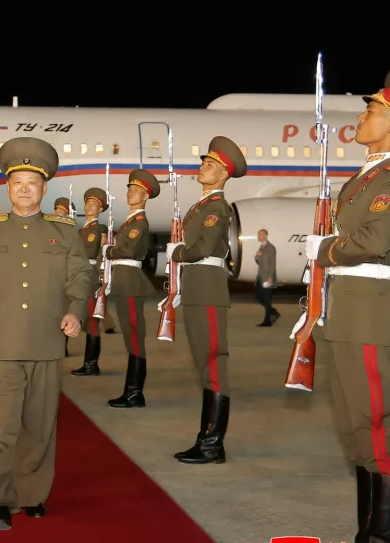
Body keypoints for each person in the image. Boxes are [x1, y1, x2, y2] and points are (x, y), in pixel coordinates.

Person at [302, 65, 390, 543]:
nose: (362, 117)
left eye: (372, 110)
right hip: (348, 312)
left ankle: (383, 542)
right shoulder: (365, 177)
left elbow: (372, 241)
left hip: (371, 314)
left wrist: (325, 249)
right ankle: (367, 534)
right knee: (358, 434)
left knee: (377, 433)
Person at [0, 137, 91, 531]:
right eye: (17, 181)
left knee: (40, 424)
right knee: (4, 425)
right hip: (0, 343)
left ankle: (32, 494)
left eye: (31, 182)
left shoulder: (65, 232)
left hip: (47, 341)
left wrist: (75, 310)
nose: (23, 188)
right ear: (7, 186)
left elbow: (82, 274)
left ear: (44, 188)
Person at [168, 136, 245, 465]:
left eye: (210, 165)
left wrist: (177, 252)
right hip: (197, 287)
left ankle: (212, 444)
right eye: (204, 162)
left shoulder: (216, 208)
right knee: (204, 365)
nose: (203, 167)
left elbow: (200, 248)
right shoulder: (201, 206)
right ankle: (207, 439)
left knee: (213, 365)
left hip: (209, 289)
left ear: (224, 175)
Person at [103, 170, 159, 409]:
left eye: (135, 190)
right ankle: (131, 391)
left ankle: (135, 393)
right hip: (123, 281)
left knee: (135, 340)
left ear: (145, 196)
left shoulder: (139, 222)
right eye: (129, 189)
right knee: (130, 339)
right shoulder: (130, 221)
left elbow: (126, 250)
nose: (130, 193)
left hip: (130, 282)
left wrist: (108, 250)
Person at [70, 187, 109, 376]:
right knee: (87, 322)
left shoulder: (95, 229)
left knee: (92, 322)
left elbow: (90, 253)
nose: (90, 206)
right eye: (88, 203)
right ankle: (89, 363)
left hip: (90, 277)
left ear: (100, 210)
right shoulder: (84, 228)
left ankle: (91, 365)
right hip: (82, 276)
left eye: (94, 204)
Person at [53, 196, 76, 357]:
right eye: (57, 210)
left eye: (62, 212)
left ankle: (62, 347)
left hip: (65, 280)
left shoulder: (71, 233)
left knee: (63, 314)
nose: (58, 214)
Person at [254, 229, 278, 326]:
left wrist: (270, 277)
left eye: (260, 234)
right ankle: (273, 312)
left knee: (267, 298)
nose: (258, 236)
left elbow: (272, 263)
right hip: (260, 277)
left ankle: (267, 321)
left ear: (265, 236)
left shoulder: (270, 247)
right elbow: (259, 261)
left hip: (267, 277)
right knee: (258, 296)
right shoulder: (262, 247)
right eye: (258, 234)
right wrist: (257, 256)